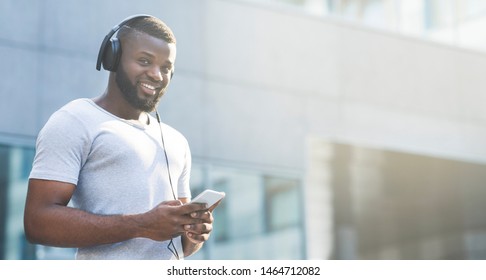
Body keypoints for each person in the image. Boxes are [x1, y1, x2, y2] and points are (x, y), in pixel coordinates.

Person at [23, 15, 216, 260]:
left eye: (166, 68)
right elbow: (37, 223)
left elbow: (180, 244)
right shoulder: (75, 120)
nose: (157, 75)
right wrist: (142, 225)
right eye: (145, 61)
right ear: (112, 57)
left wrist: (193, 232)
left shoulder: (176, 141)